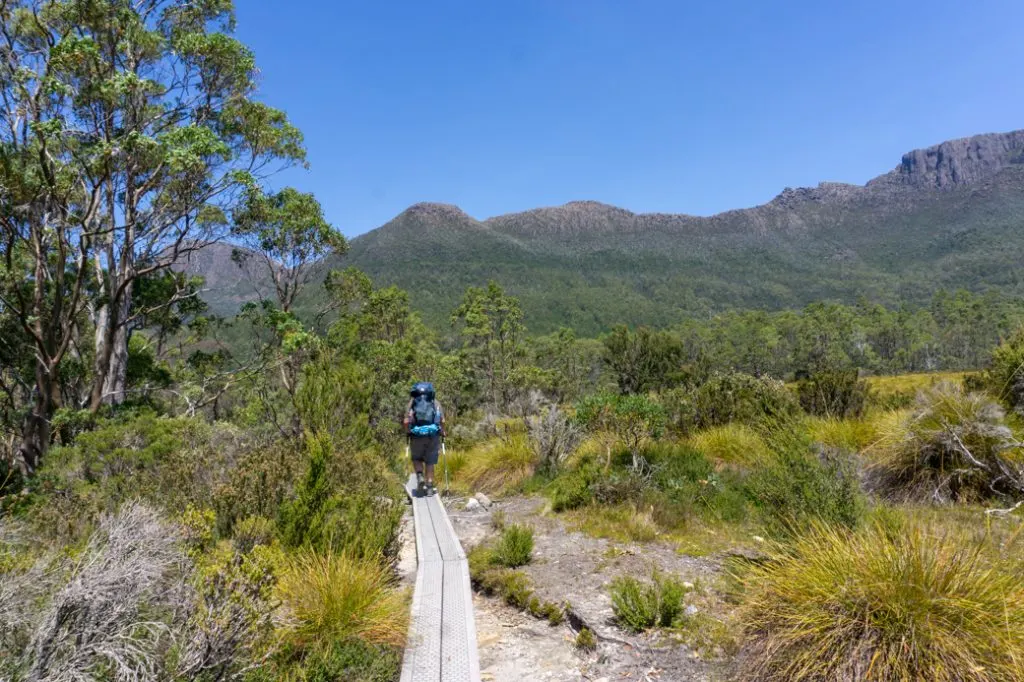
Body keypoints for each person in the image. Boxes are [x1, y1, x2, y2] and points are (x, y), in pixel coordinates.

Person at [404, 381, 445, 496]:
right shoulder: (435, 403)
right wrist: (443, 431)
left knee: (416, 459)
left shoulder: (412, 403)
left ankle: (420, 476)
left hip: (416, 436)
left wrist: (408, 432)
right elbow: (442, 420)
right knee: (430, 462)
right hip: (433, 436)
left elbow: (406, 421)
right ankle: (430, 487)